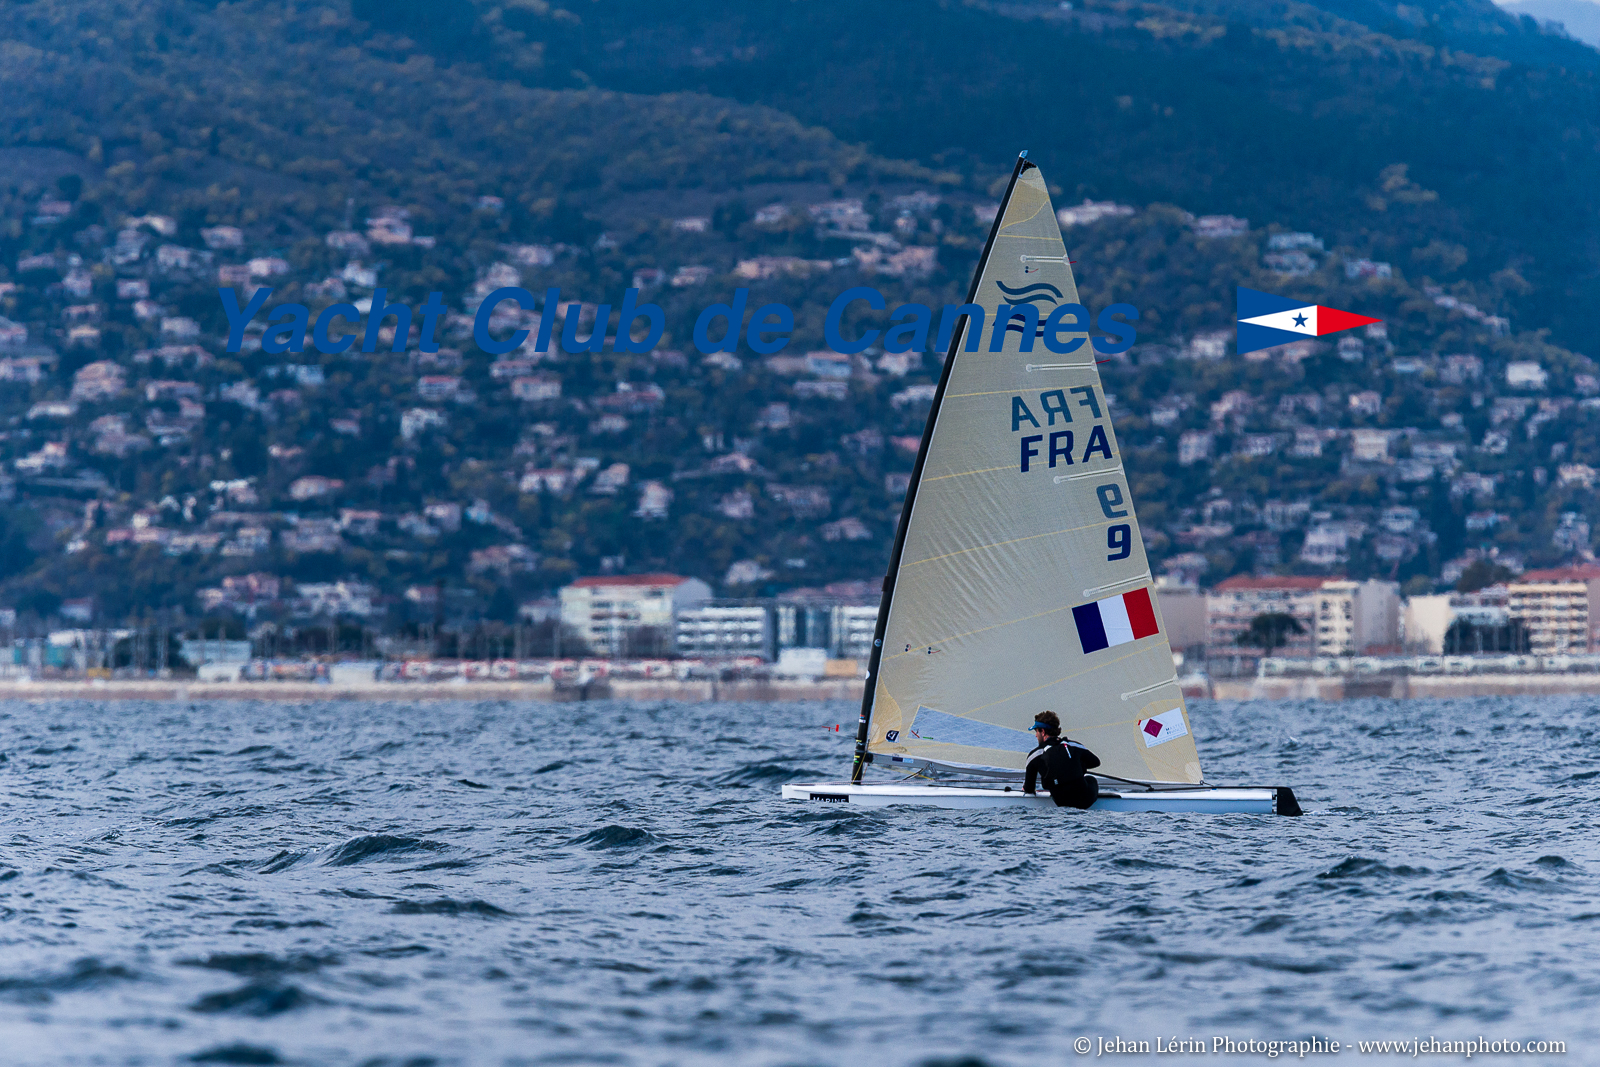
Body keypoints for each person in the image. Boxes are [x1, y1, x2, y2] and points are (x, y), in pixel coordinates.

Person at [1023, 711, 1100, 809]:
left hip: (1061, 801)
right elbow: (1095, 762)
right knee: (1091, 779)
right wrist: (1076, 766)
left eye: (1036, 731)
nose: (1035, 735)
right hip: (1085, 800)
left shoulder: (1034, 755)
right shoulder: (1073, 746)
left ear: (1042, 732)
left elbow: (1029, 789)